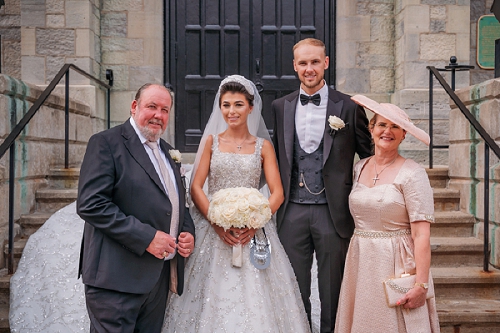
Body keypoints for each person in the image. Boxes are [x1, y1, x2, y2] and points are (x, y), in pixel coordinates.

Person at [162, 75, 311, 332]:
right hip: (213, 229)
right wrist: (216, 222)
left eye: (239, 104)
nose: (232, 111)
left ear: (251, 107)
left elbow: (277, 193)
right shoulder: (211, 142)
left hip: (253, 230)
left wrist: (256, 222)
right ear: (220, 108)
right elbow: (196, 187)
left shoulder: (263, 147)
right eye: (226, 104)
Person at [271, 38, 372, 332]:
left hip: (334, 212)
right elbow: (276, 157)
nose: (309, 69)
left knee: (333, 291)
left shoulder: (350, 107)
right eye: (303, 63)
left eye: (315, 62)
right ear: (294, 66)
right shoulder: (281, 106)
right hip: (291, 213)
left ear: (325, 63)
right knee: (293, 288)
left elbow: (368, 156)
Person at [77, 83, 195, 332]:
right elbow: (91, 204)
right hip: (116, 280)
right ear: (134, 107)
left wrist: (187, 232)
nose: (158, 115)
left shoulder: (168, 151)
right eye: (151, 106)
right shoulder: (106, 143)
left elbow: (177, 204)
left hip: (158, 281)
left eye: (164, 109)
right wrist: (147, 237)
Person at [334, 95, 440, 332]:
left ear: (404, 134)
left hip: (396, 260)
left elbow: (422, 235)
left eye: (395, 127)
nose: (387, 131)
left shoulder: (413, 173)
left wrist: (421, 285)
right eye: (382, 124)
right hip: (360, 259)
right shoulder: (359, 167)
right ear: (371, 129)